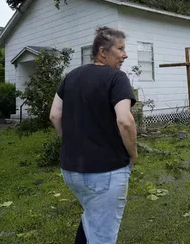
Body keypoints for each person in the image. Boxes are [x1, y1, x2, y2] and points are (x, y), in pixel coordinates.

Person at [49, 27, 137, 244]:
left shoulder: (71, 76)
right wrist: (133, 154)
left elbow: (54, 115)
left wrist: (72, 142)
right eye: (120, 49)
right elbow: (125, 120)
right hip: (105, 173)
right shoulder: (117, 77)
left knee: (91, 216)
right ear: (103, 51)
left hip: (71, 171)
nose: (125, 54)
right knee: (102, 235)